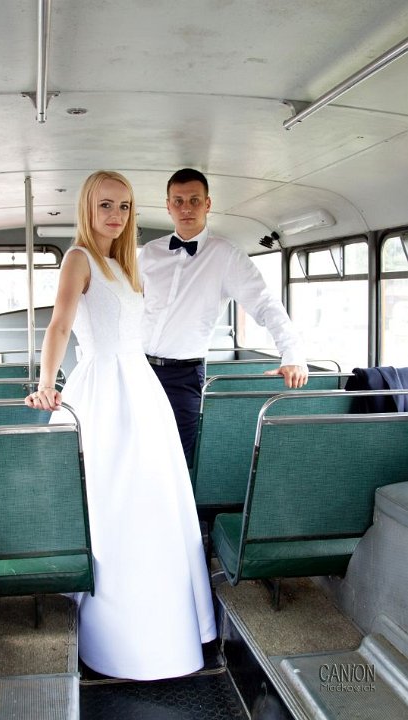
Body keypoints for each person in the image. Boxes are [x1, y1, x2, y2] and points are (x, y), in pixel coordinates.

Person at [25, 171, 216, 681]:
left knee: (153, 503)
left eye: (125, 206)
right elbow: (60, 324)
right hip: (103, 390)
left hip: (142, 390)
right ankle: (113, 640)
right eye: (106, 205)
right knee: (112, 507)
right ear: (87, 208)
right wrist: (46, 383)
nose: (116, 215)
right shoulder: (78, 259)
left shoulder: (126, 265)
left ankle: (164, 636)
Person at [138, 168, 308, 464]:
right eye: (178, 201)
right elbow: (131, 307)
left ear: (207, 204)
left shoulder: (226, 255)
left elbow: (266, 304)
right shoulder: (150, 253)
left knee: (179, 460)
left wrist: (292, 355)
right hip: (139, 368)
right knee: (138, 451)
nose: (186, 208)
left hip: (183, 376)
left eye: (194, 200)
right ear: (168, 206)